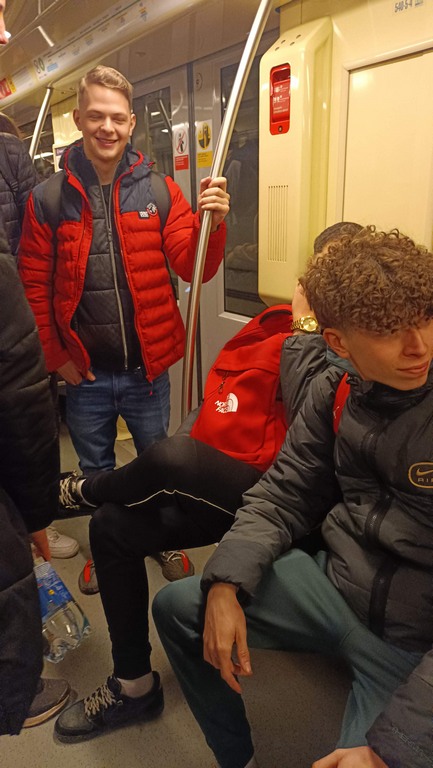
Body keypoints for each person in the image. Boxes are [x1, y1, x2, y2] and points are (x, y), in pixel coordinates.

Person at [52, 222, 360, 743]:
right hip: (242, 481)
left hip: (297, 500)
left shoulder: (358, 348)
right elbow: (218, 400)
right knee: (111, 526)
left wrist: (308, 323)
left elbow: (310, 420)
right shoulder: (273, 329)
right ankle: (134, 685)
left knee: (172, 457)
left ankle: (83, 489)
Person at [152, 226, 433, 768]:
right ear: (339, 344)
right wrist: (226, 582)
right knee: (178, 606)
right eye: (388, 330)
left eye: (424, 318)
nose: (418, 346)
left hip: (415, 640)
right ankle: (237, 758)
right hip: (337, 585)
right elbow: (286, 490)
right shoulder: (339, 387)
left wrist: (393, 747)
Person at [18, 64, 230, 582]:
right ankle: (107, 545)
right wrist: (57, 359)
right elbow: (33, 289)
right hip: (85, 374)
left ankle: (161, 538)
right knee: (97, 471)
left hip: (146, 371)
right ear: (78, 119)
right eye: (96, 116)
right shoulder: (49, 199)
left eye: (117, 117)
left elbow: (193, 266)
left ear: (132, 123)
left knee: (157, 463)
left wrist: (214, 225)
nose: (107, 127)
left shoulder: (160, 191)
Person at [0, 221, 70, 734]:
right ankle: (12, 694)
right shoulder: (50, 201)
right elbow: (17, 389)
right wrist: (32, 513)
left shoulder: (159, 192)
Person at [0, 110, 78, 559]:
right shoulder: (12, 153)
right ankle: (36, 527)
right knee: (28, 415)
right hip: (17, 312)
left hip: (17, 307)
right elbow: (38, 241)